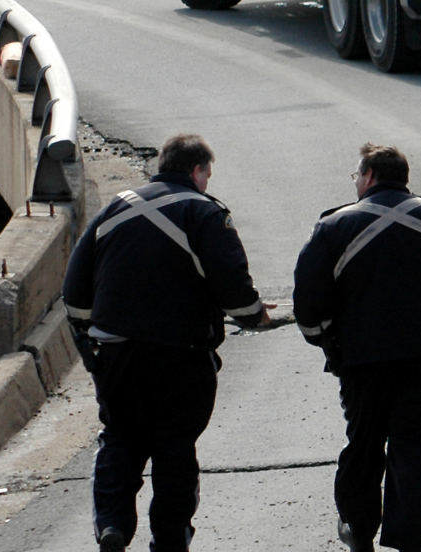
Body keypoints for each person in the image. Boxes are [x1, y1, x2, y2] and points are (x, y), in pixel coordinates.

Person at [61, 134, 272, 552]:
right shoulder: (205, 213)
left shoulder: (113, 208)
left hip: (117, 352)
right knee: (175, 447)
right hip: (182, 355)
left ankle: (112, 526)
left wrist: (91, 342)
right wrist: (254, 315)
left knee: (120, 438)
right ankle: (170, 539)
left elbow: (74, 289)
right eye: (207, 175)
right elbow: (233, 286)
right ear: (197, 171)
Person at [294, 144, 421, 552]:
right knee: (414, 448)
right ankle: (407, 538)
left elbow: (309, 296)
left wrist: (325, 339)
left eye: (356, 176)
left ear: (369, 177)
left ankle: (359, 530)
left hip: (361, 361)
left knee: (363, 444)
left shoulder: (333, 226)